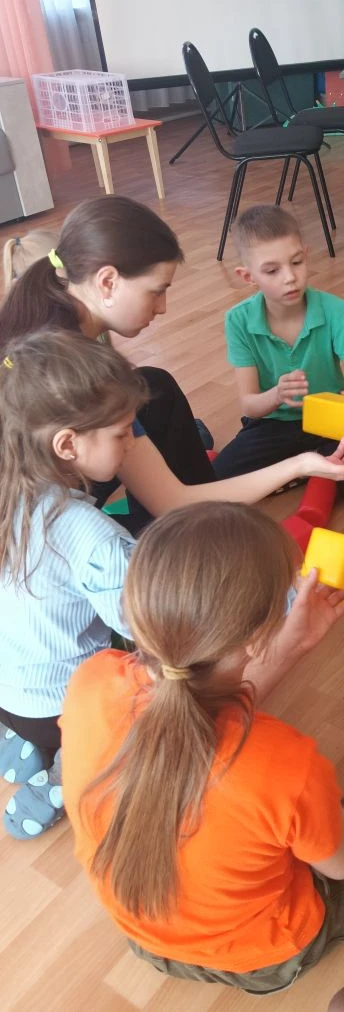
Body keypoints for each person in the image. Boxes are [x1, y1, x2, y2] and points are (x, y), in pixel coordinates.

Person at [61, 502, 344, 1008]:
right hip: (265, 956)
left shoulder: (92, 679)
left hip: (147, 937)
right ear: (254, 638)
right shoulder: (283, 763)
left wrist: (288, 647)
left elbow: (192, 712)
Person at [0, 197, 344, 535]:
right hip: (35, 532)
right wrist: (299, 464)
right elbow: (175, 501)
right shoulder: (76, 367)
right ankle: (175, 530)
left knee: (155, 387)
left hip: (50, 476)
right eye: (157, 290)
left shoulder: (60, 306)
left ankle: (170, 502)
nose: (163, 306)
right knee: (188, 531)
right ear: (107, 282)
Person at [0, 329, 147, 839]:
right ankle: (67, 773)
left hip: (11, 693)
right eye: (123, 433)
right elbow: (146, 626)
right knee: (157, 701)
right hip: (63, 711)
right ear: (67, 444)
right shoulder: (90, 536)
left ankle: (19, 738)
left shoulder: (9, 493)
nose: (132, 443)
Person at [213, 204, 344, 508]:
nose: (290, 277)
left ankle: (305, 466)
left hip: (332, 422)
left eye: (296, 262)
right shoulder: (237, 320)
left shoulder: (334, 309)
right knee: (218, 482)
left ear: (306, 254)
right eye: (272, 271)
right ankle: (307, 466)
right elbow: (250, 405)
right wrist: (277, 394)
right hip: (274, 425)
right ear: (248, 276)